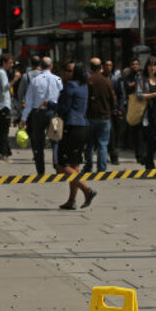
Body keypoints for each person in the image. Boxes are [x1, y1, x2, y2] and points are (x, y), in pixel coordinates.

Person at [55, 62, 97, 210]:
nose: (68, 73)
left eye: (70, 71)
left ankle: (87, 190)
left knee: (61, 164)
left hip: (71, 127)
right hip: (83, 126)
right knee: (75, 164)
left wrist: (53, 105)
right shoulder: (84, 86)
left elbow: (64, 108)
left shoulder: (70, 86)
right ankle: (71, 200)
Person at [21, 56, 63, 175]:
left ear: (41, 66)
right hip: (53, 113)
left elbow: (28, 101)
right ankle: (56, 162)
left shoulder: (35, 80)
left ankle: (40, 169)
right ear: (51, 66)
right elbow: (61, 97)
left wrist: (24, 118)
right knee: (55, 140)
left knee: (38, 142)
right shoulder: (58, 80)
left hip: (38, 113)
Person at [83, 57, 115, 173]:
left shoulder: (88, 80)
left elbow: (84, 99)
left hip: (90, 117)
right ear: (101, 68)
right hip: (105, 117)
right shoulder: (107, 81)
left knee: (90, 144)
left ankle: (88, 166)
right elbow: (113, 99)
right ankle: (102, 168)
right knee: (103, 144)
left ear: (90, 68)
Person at [0, 53, 21, 162]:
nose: (11, 65)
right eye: (10, 63)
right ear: (4, 63)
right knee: (3, 132)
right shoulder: (2, 73)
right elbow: (5, 87)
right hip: (2, 106)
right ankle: (3, 154)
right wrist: (15, 79)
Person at [136, 56, 156, 169]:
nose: (153, 68)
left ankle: (148, 157)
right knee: (149, 137)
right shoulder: (142, 79)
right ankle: (150, 162)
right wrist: (154, 95)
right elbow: (139, 96)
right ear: (147, 67)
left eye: (155, 65)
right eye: (150, 65)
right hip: (146, 113)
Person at [124, 57, 145, 164]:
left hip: (144, 107)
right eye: (133, 64)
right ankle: (139, 155)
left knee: (144, 132)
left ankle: (144, 154)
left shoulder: (143, 76)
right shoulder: (128, 77)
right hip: (133, 107)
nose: (134, 66)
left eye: (136, 64)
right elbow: (128, 87)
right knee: (136, 132)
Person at [103, 60, 125, 165]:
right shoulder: (101, 78)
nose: (108, 67)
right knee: (107, 134)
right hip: (103, 110)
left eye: (110, 65)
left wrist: (120, 108)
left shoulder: (116, 79)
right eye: (107, 65)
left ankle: (113, 155)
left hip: (114, 110)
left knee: (114, 134)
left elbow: (121, 94)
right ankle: (109, 155)